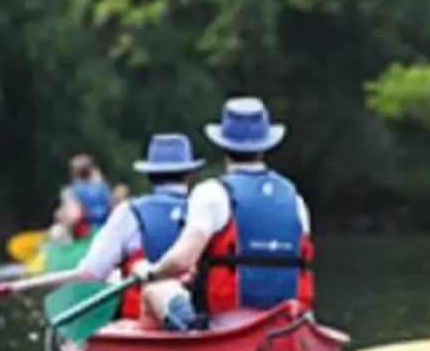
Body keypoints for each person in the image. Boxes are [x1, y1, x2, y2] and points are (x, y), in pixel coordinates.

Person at [140, 97, 314, 329]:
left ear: (223, 147)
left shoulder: (211, 192)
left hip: (226, 326)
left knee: (155, 289)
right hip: (289, 322)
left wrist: (153, 272)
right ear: (265, 147)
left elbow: (182, 260)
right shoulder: (295, 199)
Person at [71, 134, 206, 329]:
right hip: (203, 316)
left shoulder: (129, 213)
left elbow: (91, 274)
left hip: (142, 326)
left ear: (149, 174)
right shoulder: (209, 209)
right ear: (189, 174)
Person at [51, 154, 112, 242]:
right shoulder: (104, 188)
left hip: (84, 235)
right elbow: (111, 209)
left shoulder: (71, 191)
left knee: (56, 231)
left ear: (74, 173)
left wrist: (59, 216)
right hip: (104, 232)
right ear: (91, 171)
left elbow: (75, 216)